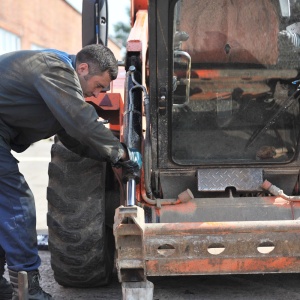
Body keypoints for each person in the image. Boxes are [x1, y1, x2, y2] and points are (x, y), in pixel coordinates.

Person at [0, 44, 142, 299]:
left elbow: (75, 139)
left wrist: (112, 160)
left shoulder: (59, 88)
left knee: (3, 208)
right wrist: (122, 153)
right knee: (17, 204)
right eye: (98, 86)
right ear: (83, 68)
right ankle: (28, 288)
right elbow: (82, 123)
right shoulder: (54, 68)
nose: (97, 95)